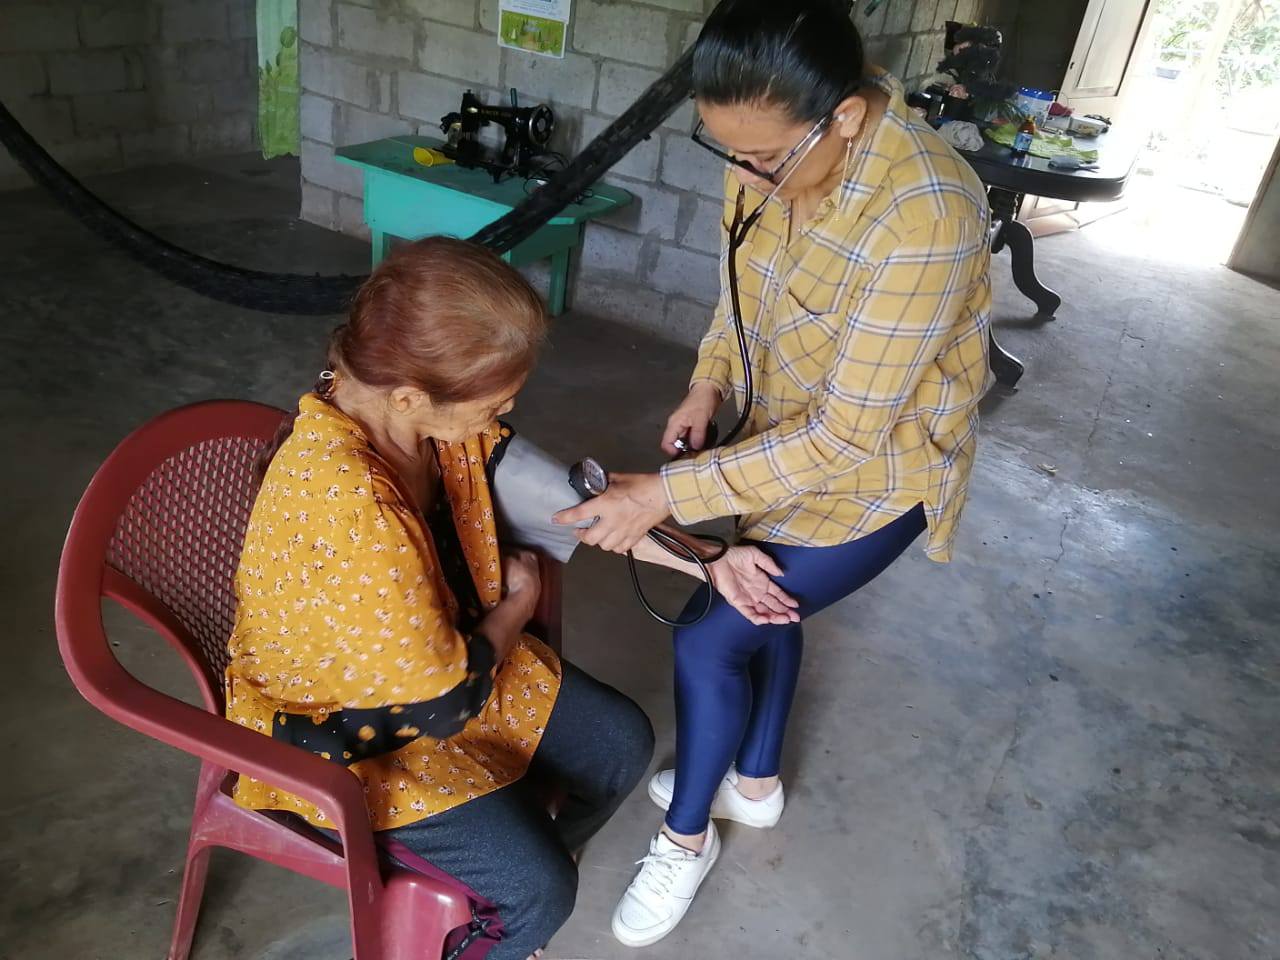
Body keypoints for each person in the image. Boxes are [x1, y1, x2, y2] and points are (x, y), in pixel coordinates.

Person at [553, 0, 994, 946]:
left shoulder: (928, 214)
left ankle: (684, 842)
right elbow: (739, 297)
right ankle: (752, 784)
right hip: (775, 443)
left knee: (711, 638)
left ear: (844, 116)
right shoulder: (765, 153)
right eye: (727, 151)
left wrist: (662, 496)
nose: (745, 173)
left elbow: (846, 436)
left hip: (877, 475)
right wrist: (708, 383)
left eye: (761, 158)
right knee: (762, 598)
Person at [225, 236, 794, 960]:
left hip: (446, 660)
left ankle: (502, 891)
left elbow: (569, 504)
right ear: (411, 395)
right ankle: (510, 918)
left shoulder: (426, 425)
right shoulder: (346, 505)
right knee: (540, 890)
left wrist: (709, 563)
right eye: (495, 400)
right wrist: (518, 602)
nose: (509, 409)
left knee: (619, 746)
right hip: (346, 733)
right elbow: (442, 703)